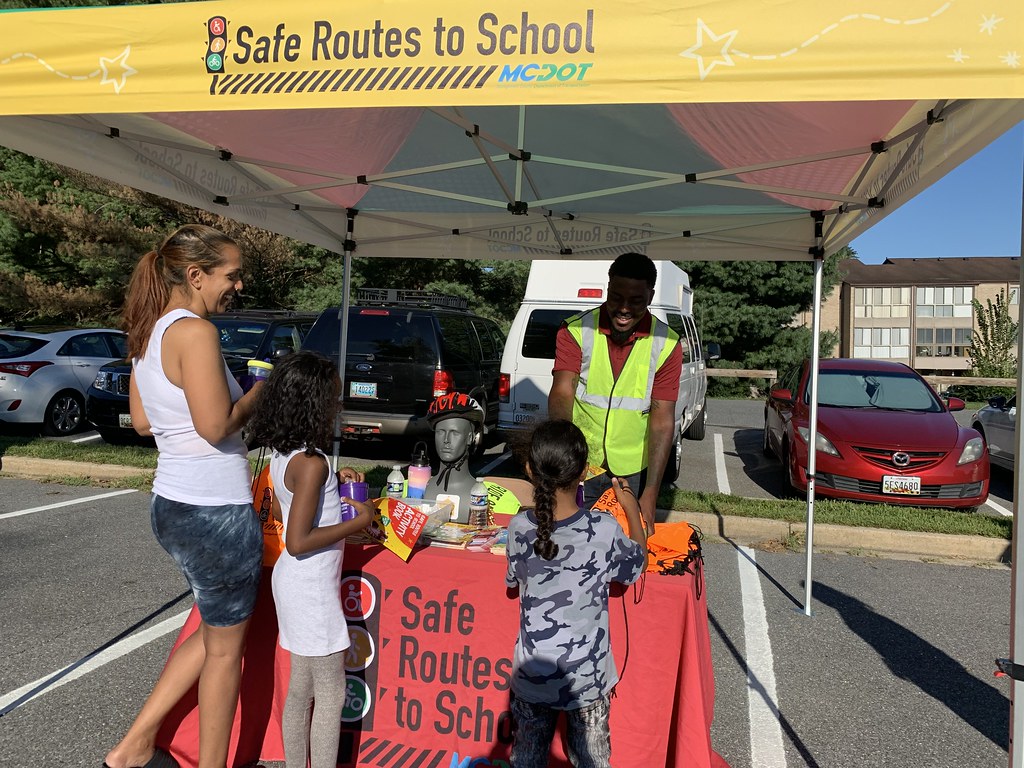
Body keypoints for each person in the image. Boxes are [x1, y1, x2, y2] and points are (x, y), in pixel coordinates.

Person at [105, 225, 264, 768]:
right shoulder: (196, 332)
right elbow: (217, 425)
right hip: (214, 510)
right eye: (232, 275)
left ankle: (134, 745)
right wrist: (261, 393)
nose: (238, 285)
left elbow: (145, 423)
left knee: (212, 626)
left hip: (171, 504)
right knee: (226, 652)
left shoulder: (147, 332)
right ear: (195, 275)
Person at [246, 350, 375, 768]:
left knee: (301, 690)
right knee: (332, 694)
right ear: (316, 403)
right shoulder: (313, 462)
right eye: (334, 397)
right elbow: (300, 540)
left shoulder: (290, 455)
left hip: (295, 583)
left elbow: (290, 517)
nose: (338, 405)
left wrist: (336, 495)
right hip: (311, 588)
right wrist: (361, 519)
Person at [504, 419, 647, 768]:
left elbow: (513, 580)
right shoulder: (604, 529)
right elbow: (636, 563)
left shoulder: (519, 528)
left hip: (532, 677)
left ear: (528, 469)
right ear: (584, 471)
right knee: (592, 760)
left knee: (527, 759)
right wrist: (630, 507)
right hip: (589, 679)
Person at [548, 252, 682, 532]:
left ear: (651, 295)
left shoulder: (667, 343)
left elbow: (662, 419)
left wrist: (652, 491)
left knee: (626, 547)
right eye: (615, 297)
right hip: (581, 462)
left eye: (636, 301)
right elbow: (562, 394)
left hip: (632, 472)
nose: (623, 308)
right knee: (571, 539)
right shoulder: (576, 330)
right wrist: (563, 460)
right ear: (608, 288)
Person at [424, 391, 485, 506]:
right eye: (440, 432)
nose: (446, 439)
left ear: (470, 438)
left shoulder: (479, 495)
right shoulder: (421, 488)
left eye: (455, 433)